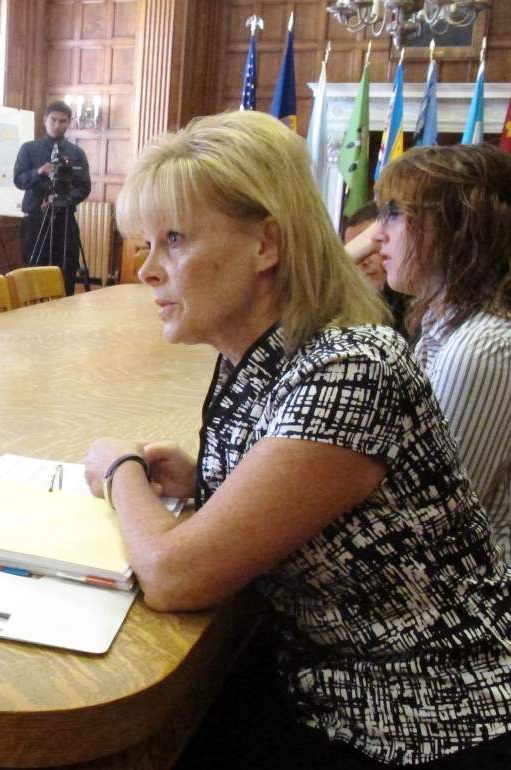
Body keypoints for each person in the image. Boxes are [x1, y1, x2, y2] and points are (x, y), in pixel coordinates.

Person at [82, 110, 511, 768]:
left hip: (421, 713)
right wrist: (212, 479)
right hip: (333, 676)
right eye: (146, 244)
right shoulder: (271, 352)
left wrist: (121, 469)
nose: (146, 270)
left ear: (266, 246)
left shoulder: (350, 368)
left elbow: (173, 574)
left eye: (173, 240)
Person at [373, 144, 511, 562]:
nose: (378, 233)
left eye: (395, 214)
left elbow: (424, 525)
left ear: (459, 227)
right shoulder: (444, 325)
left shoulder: (481, 346)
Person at [12, 100, 91, 296]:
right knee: (34, 267)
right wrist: (38, 172)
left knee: (67, 268)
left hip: (64, 220)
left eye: (63, 121)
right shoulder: (29, 149)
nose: (57, 125)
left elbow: (84, 186)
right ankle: (33, 312)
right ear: (45, 120)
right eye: (53, 120)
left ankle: (66, 312)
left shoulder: (76, 153)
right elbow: (19, 180)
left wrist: (62, 200)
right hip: (36, 219)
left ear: (69, 123)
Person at [341, 201, 407, 335]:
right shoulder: (348, 306)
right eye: (358, 256)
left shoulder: (409, 304)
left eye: (373, 249)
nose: (363, 262)